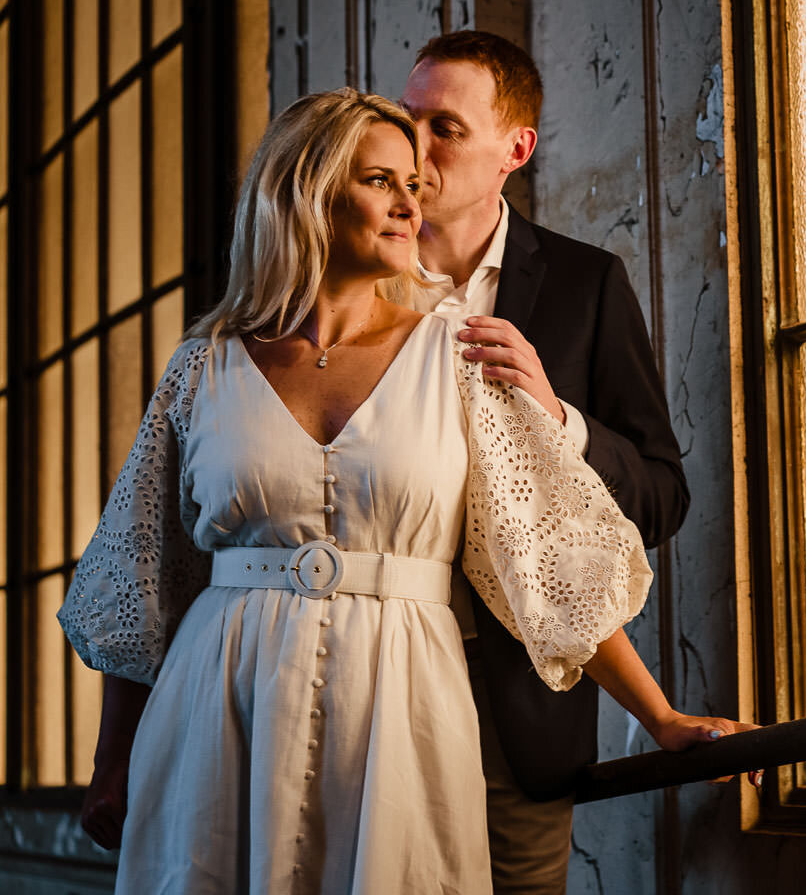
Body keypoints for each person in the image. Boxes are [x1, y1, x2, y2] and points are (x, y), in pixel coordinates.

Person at [58, 88, 748, 893]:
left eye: (414, 186)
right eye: (381, 181)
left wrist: (661, 718)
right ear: (307, 191)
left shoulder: (461, 359)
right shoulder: (201, 369)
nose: (407, 205)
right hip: (220, 709)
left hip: (402, 708)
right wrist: (112, 758)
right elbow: (142, 587)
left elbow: (546, 563)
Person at [400, 31, 707, 892]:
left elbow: (662, 497)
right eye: (406, 120)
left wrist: (556, 414)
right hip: (374, 676)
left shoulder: (586, 284)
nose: (414, 150)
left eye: (446, 128)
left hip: (525, 710)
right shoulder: (354, 287)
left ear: (515, 148)